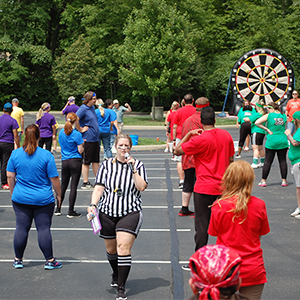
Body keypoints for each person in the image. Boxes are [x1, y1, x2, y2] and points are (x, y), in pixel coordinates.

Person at [87, 134, 148, 300]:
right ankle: (116, 272)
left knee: (123, 247)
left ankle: (121, 287)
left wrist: (133, 169)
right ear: (115, 147)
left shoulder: (139, 165)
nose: (123, 149)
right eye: (120, 146)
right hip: (107, 212)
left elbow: (141, 187)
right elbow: (99, 187)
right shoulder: (106, 166)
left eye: (126, 146)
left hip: (130, 211)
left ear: (130, 148)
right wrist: (93, 205)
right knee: (111, 249)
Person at [175, 106, 234, 270]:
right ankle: (226, 260)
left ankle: (200, 261)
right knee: (225, 226)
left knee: (202, 227)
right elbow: (231, 160)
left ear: (201, 122)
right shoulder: (226, 136)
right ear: (215, 120)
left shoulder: (200, 139)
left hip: (204, 188)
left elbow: (177, 150)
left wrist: (188, 135)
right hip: (223, 188)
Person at [208, 160, 270, 300]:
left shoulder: (219, 206)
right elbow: (260, 233)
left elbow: (214, 232)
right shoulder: (259, 205)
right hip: (253, 269)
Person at [6, 124, 62, 270]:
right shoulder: (46, 155)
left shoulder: (16, 154)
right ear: (39, 137)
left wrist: (13, 193)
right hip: (43, 199)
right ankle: (49, 260)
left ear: (24, 135)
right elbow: (54, 179)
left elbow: (10, 176)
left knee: (21, 228)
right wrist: (59, 194)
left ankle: (18, 259)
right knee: (43, 229)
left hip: (21, 198)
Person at [178, 97, 208, 217]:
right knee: (198, 185)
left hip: (187, 154)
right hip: (199, 157)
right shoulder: (203, 121)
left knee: (188, 183)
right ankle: (199, 210)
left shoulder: (188, 120)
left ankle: (184, 208)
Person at [56, 112, 84, 218]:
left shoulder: (62, 133)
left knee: (63, 185)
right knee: (73, 187)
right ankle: (70, 211)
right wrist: (82, 145)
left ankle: (58, 208)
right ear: (76, 121)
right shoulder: (77, 134)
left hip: (65, 160)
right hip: (75, 160)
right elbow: (80, 150)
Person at [255, 101, 289, 187]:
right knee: (282, 161)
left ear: (272, 108)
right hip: (282, 139)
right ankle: (284, 181)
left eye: (268, 109)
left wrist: (266, 129)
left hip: (272, 140)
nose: (267, 111)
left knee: (268, 161)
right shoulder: (283, 116)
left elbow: (257, 122)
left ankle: (263, 181)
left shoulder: (269, 115)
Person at [76, 91, 100, 189]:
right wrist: (81, 129)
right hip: (88, 138)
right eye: (94, 99)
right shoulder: (83, 109)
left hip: (95, 138)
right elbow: (75, 118)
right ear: (89, 99)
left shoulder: (92, 108)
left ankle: (98, 180)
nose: (95, 100)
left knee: (96, 161)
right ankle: (85, 182)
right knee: (86, 161)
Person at [172, 93, 196, 188]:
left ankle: (182, 180)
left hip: (180, 136)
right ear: (193, 101)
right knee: (194, 158)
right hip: (194, 136)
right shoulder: (196, 110)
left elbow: (174, 126)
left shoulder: (179, 111)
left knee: (180, 160)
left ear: (183, 102)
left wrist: (174, 139)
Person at [0, 103, 20, 189]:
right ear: (11, 110)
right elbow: (15, 135)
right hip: (8, 143)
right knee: (5, 163)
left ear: (3, 110)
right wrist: (18, 146)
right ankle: (4, 182)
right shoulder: (13, 121)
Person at [285, 111, 300, 218]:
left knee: (299, 187)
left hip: (298, 161)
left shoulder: (299, 131)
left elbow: (295, 142)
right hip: (296, 161)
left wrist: (288, 135)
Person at [243, 100, 266, 168]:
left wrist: (245, 118)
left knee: (255, 148)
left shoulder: (257, 114)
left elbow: (248, 119)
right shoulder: (263, 114)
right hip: (262, 132)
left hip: (256, 131)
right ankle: (262, 162)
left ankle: (254, 163)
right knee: (260, 148)